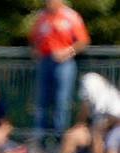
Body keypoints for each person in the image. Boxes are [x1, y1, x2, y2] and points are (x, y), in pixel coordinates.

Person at [30, 0, 90, 138]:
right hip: (45, 62)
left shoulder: (71, 16)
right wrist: (35, 50)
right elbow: (33, 38)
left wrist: (67, 52)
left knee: (62, 101)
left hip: (64, 63)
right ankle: (40, 138)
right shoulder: (41, 17)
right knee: (41, 101)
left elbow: (83, 41)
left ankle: (60, 137)